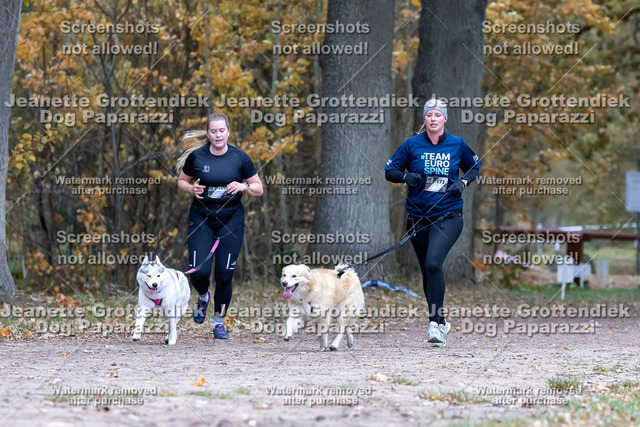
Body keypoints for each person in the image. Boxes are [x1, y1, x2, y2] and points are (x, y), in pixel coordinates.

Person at [384, 98, 480, 347]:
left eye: (438, 115)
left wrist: (462, 183)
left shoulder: (457, 144)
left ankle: (434, 325)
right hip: (418, 218)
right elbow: (389, 171)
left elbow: (474, 167)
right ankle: (441, 320)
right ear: (424, 119)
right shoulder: (411, 144)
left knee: (434, 262)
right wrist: (406, 176)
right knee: (429, 270)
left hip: (448, 216)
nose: (433, 119)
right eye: (429, 115)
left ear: (445, 118)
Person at [176, 113, 263, 339]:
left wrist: (244, 186)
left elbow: (258, 188)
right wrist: (191, 189)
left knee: (224, 275)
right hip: (201, 219)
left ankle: (218, 324)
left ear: (228, 132)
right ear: (208, 133)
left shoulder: (240, 158)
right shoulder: (197, 157)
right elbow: (182, 181)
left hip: (231, 221)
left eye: (221, 131)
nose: (218, 135)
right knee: (199, 272)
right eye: (213, 131)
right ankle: (203, 296)